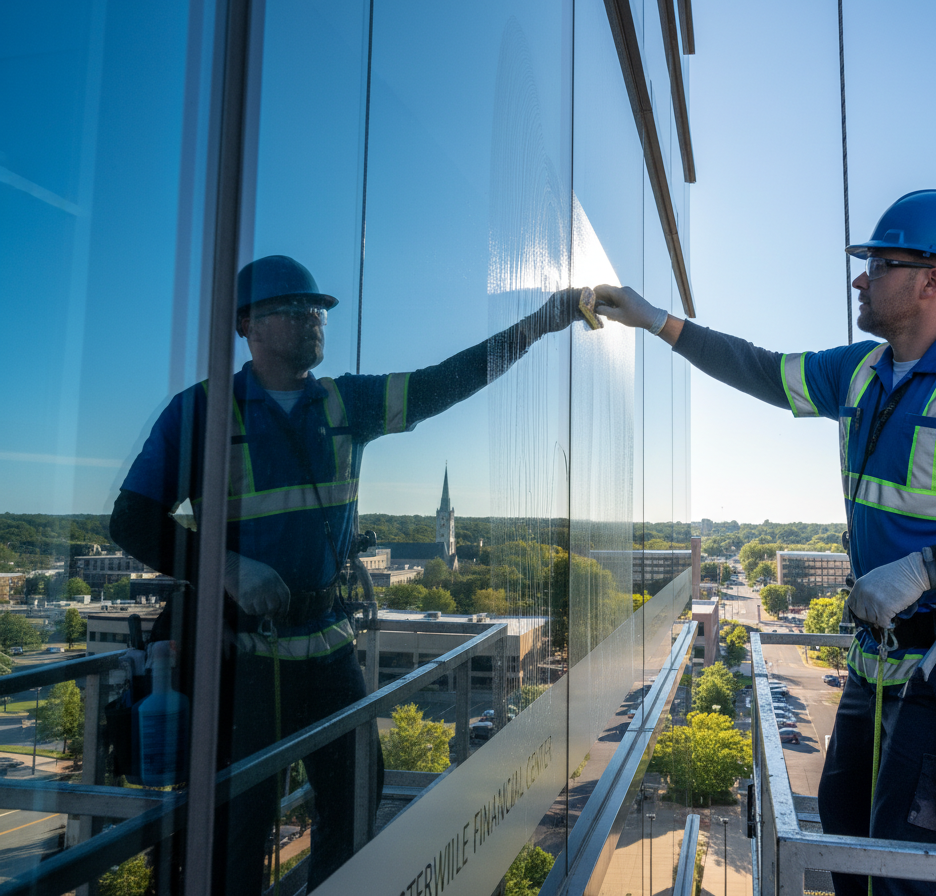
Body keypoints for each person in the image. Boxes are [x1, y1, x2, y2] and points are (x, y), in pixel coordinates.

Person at [593, 190, 936, 896]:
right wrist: (658, 323)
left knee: (913, 877)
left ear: (935, 279)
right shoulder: (862, 372)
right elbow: (760, 369)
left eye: (880, 263)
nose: (861, 279)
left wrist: (927, 569)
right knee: (843, 840)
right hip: (883, 664)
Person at [109, 255, 588, 894]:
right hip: (246, 661)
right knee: (237, 832)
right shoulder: (201, 413)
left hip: (329, 651)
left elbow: (443, 382)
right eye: (293, 308)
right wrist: (223, 566)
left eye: (319, 310)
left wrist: (538, 325)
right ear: (247, 325)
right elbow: (132, 520)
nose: (313, 319)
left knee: (359, 801)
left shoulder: (345, 402)